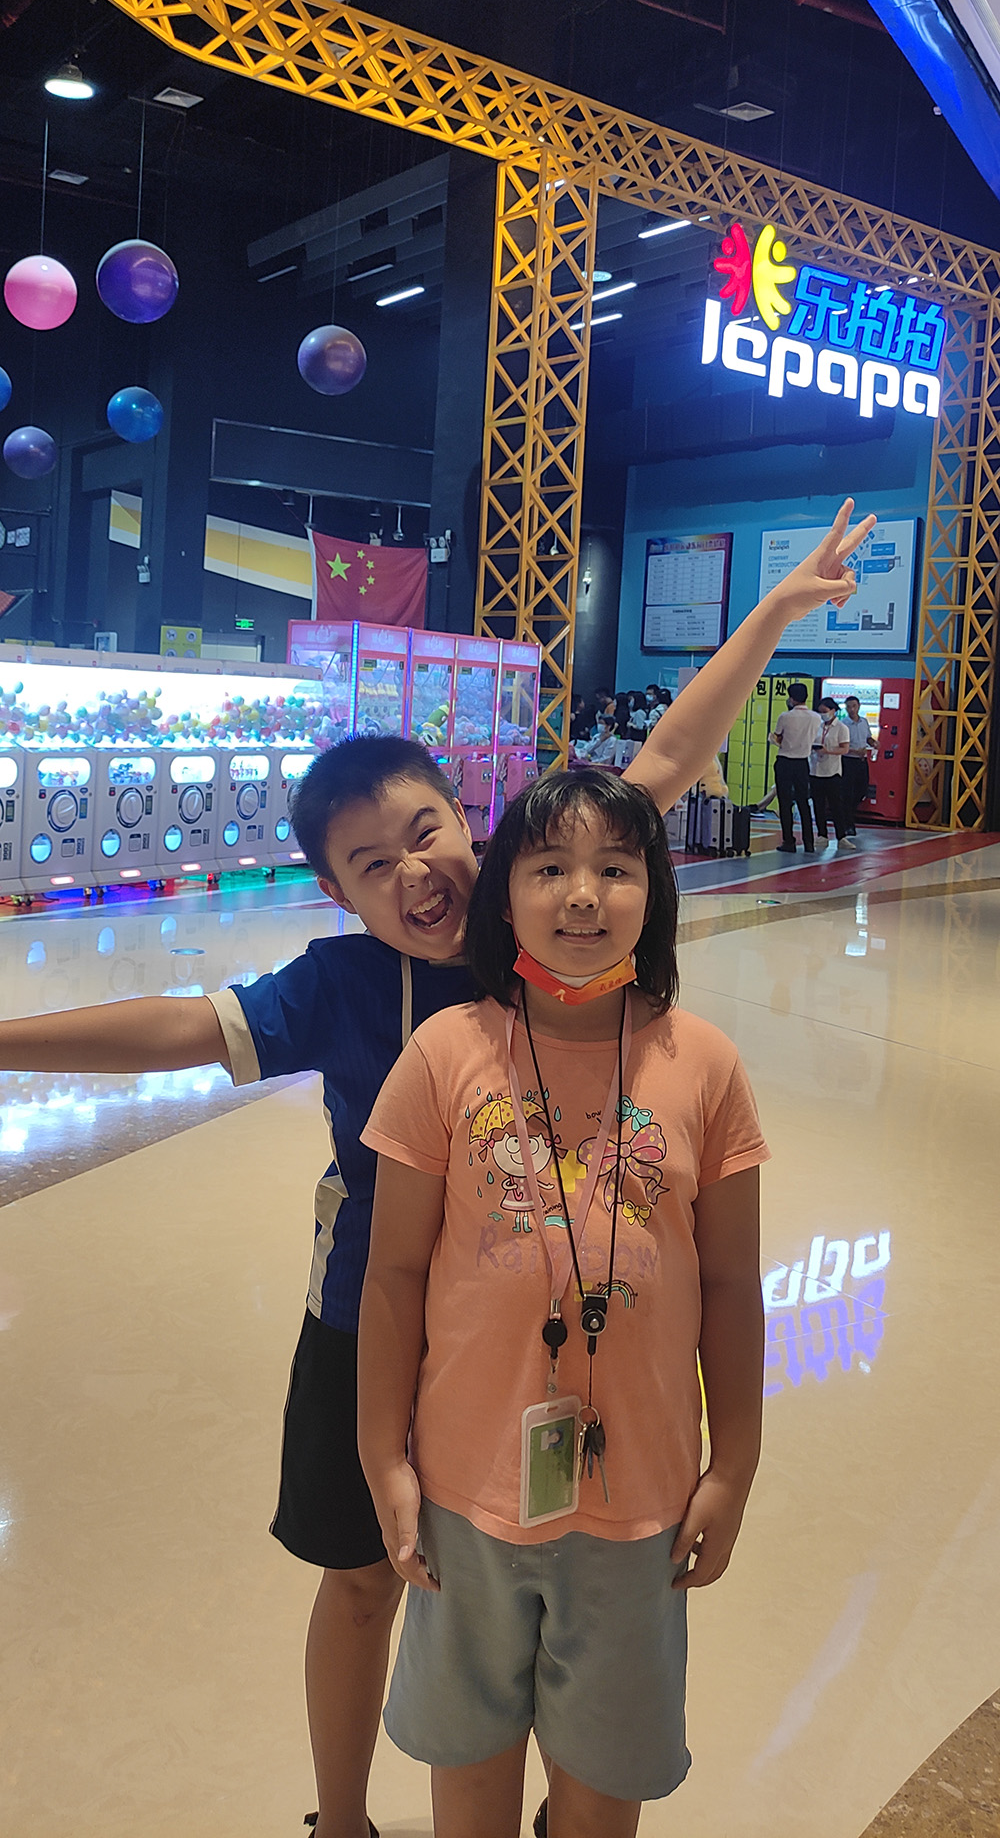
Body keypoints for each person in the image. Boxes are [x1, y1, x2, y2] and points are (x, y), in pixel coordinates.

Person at [0, 498, 873, 1838]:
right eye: (370, 864)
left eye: (424, 832)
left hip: (535, 1339)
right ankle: (340, 1817)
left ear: (471, 823)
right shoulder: (339, 985)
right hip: (367, 1316)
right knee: (362, 1578)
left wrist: (772, 610)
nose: (413, 870)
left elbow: (664, 762)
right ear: (338, 894)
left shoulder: (539, 902)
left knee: (528, 1574)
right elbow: (183, 1025)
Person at [357, 770, 769, 1838]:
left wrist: (733, 1465)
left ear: (654, 891)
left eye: (615, 868)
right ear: (504, 893)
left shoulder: (703, 1065)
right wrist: (385, 1457)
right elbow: (394, 1273)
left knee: (601, 1786)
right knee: (469, 1770)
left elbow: (731, 1284)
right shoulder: (445, 1055)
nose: (583, 895)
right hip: (466, 1492)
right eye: (549, 868)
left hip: (640, 1503)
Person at [769, 682, 822, 854]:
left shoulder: (785, 716)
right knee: (803, 802)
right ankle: (809, 842)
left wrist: (774, 739)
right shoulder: (816, 717)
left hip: (785, 761)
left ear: (791, 698)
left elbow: (778, 737)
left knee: (785, 803)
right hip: (802, 763)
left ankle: (789, 841)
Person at [810, 696, 853, 849]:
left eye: (825, 711)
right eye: (820, 711)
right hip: (815, 770)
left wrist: (828, 751)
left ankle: (841, 836)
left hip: (832, 772)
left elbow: (845, 749)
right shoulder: (818, 726)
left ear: (833, 710)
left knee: (836, 805)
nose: (822, 714)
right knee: (818, 805)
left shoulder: (841, 728)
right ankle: (822, 835)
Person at [842, 694, 875, 835]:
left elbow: (868, 738)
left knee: (862, 790)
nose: (852, 709)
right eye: (849, 707)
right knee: (847, 792)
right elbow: (841, 745)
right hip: (848, 760)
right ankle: (848, 824)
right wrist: (855, 751)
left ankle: (849, 814)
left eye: (854, 706)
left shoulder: (864, 722)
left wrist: (874, 743)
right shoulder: (843, 724)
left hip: (862, 761)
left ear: (859, 706)